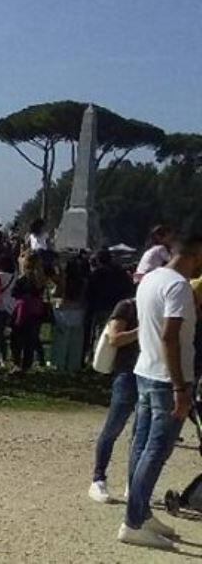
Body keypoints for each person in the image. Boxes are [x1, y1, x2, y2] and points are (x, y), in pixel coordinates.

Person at [120, 234, 202, 549]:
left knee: (141, 446)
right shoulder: (179, 286)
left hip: (146, 369)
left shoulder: (150, 278)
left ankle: (139, 513)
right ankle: (133, 521)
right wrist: (180, 386)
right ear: (195, 254)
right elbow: (170, 336)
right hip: (168, 378)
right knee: (156, 450)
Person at [88, 298, 139, 505]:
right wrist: (143, 330)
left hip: (151, 374)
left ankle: (135, 483)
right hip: (127, 373)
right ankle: (98, 478)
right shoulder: (127, 306)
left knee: (140, 434)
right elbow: (114, 339)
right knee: (112, 428)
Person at [10, 253, 47, 374]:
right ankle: (27, 365)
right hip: (36, 311)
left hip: (23, 310)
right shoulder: (40, 277)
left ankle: (17, 363)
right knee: (31, 340)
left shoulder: (23, 278)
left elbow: (14, 293)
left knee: (17, 338)